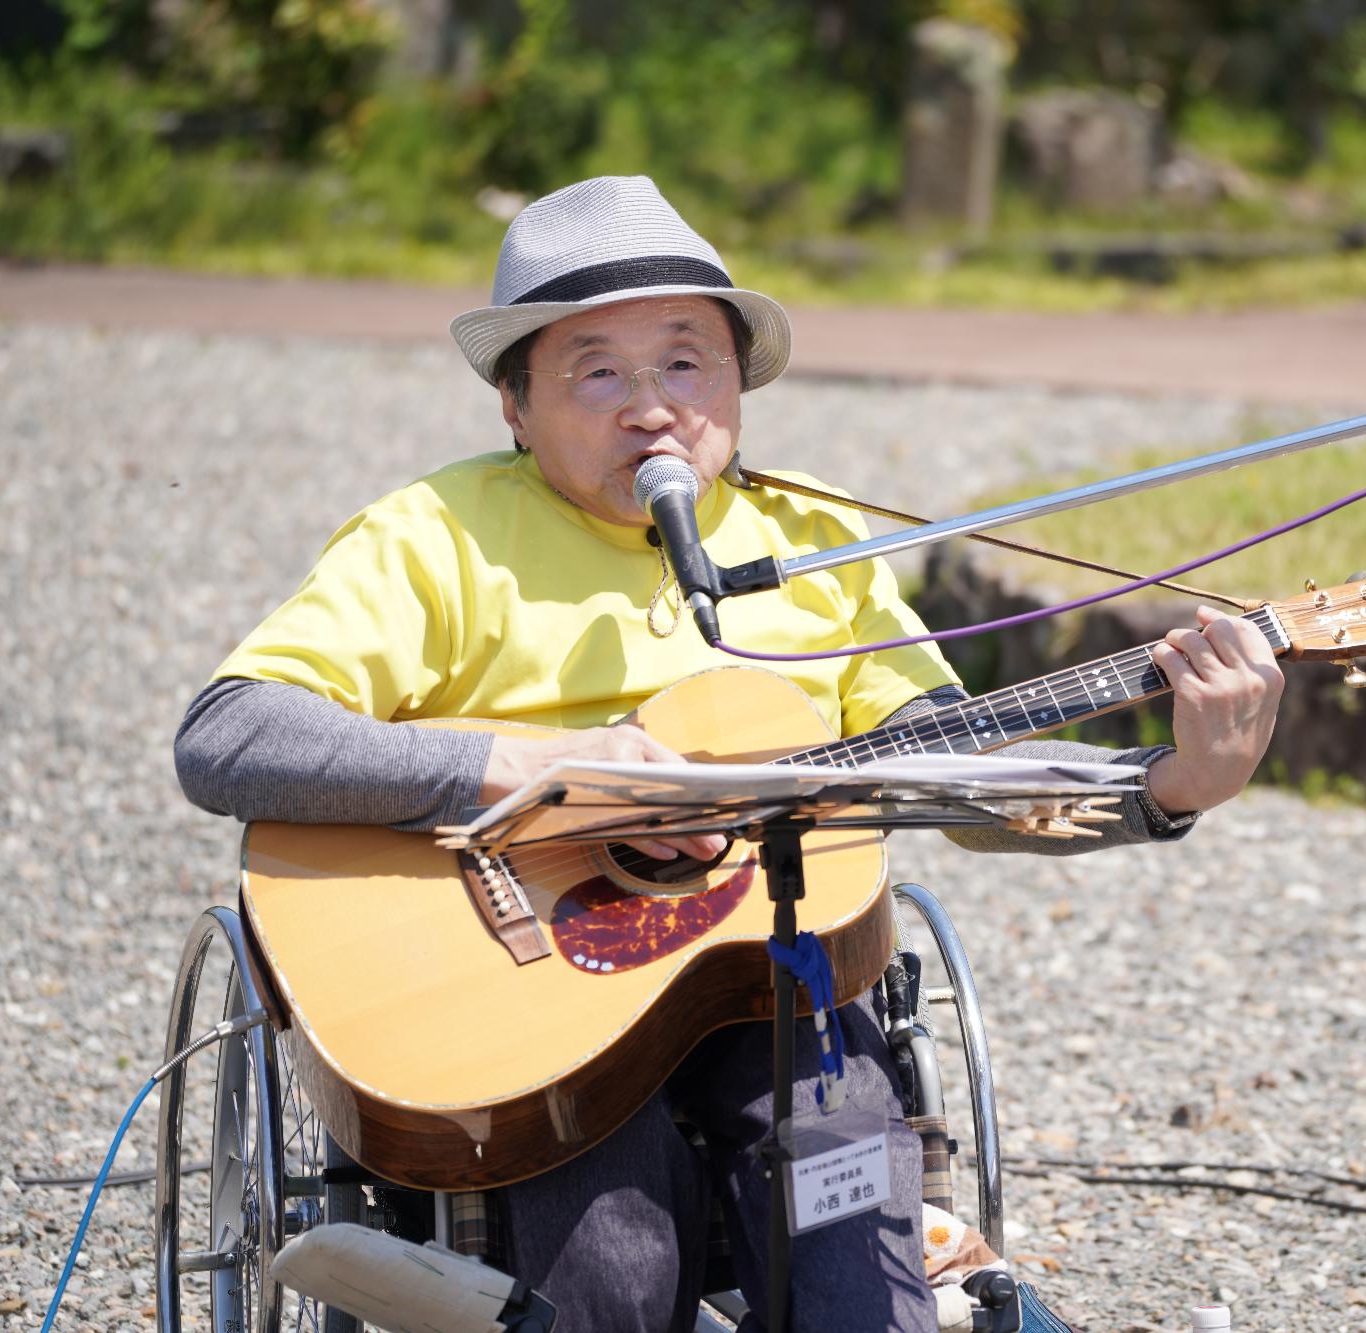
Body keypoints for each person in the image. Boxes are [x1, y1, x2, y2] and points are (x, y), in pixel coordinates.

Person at [174, 175, 1284, 1332]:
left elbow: (942, 777)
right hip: (519, 1014)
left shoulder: (808, 544)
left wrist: (1168, 787)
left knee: (857, 1257)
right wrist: (530, 770)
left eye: (687, 362)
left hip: (775, 992)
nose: (650, 407)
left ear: (738, 388)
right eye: (597, 370)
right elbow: (229, 734)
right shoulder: (432, 539)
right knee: (613, 1267)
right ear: (514, 405)